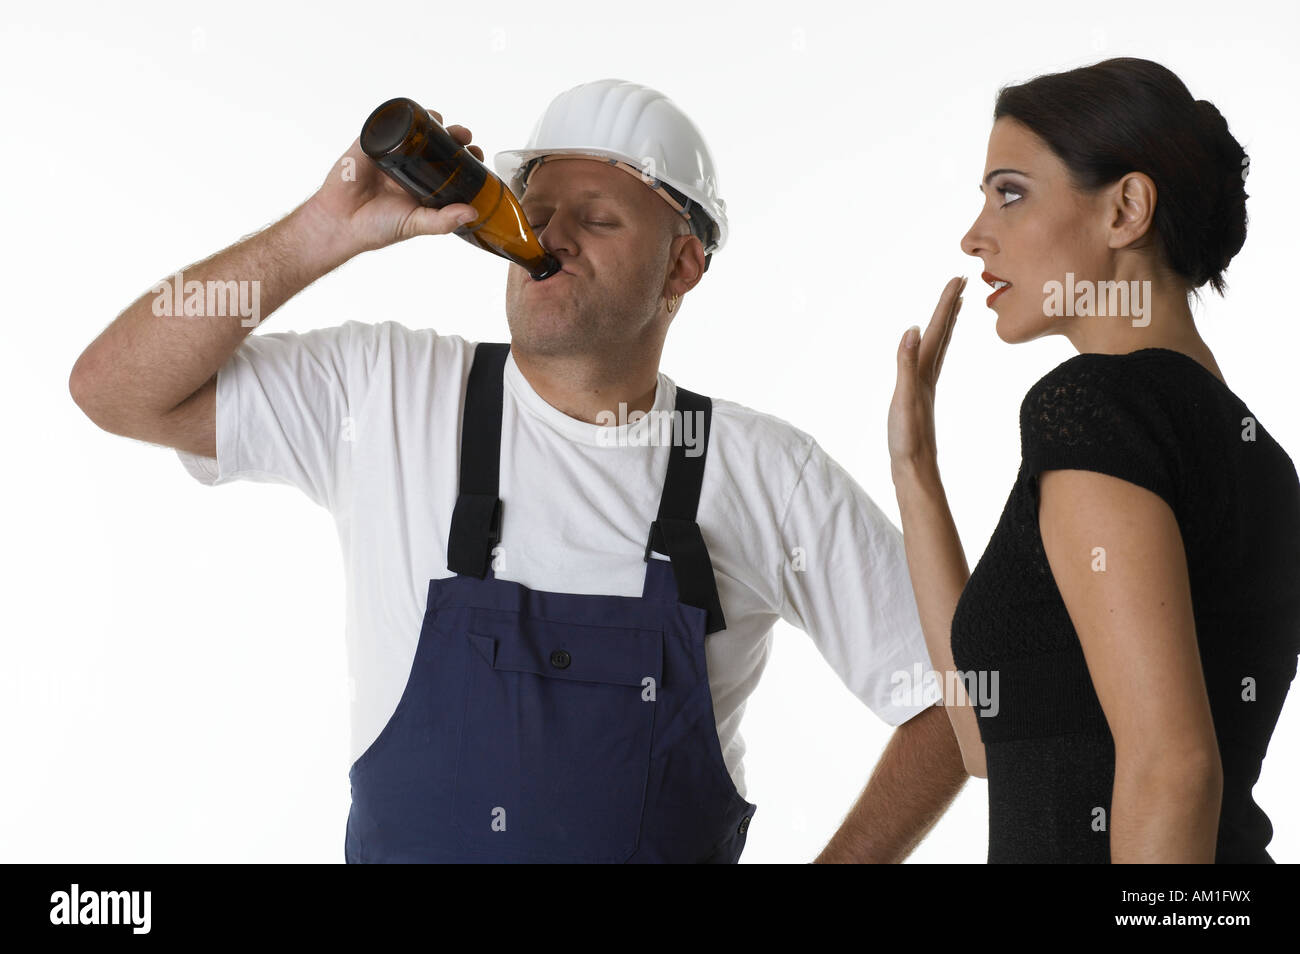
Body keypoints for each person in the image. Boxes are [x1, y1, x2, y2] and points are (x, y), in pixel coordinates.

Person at [69, 78, 966, 863]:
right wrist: (320, 231)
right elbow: (116, 390)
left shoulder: (765, 472)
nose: (551, 232)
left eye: (600, 217)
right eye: (537, 209)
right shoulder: (385, 394)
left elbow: (961, 698)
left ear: (683, 265)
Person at [888, 57, 1300, 863]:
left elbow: (1173, 769)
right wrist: (915, 471)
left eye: (1009, 192)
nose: (974, 234)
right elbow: (986, 742)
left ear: (1126, 209)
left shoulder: (1098, 408)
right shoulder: (1258, 457)